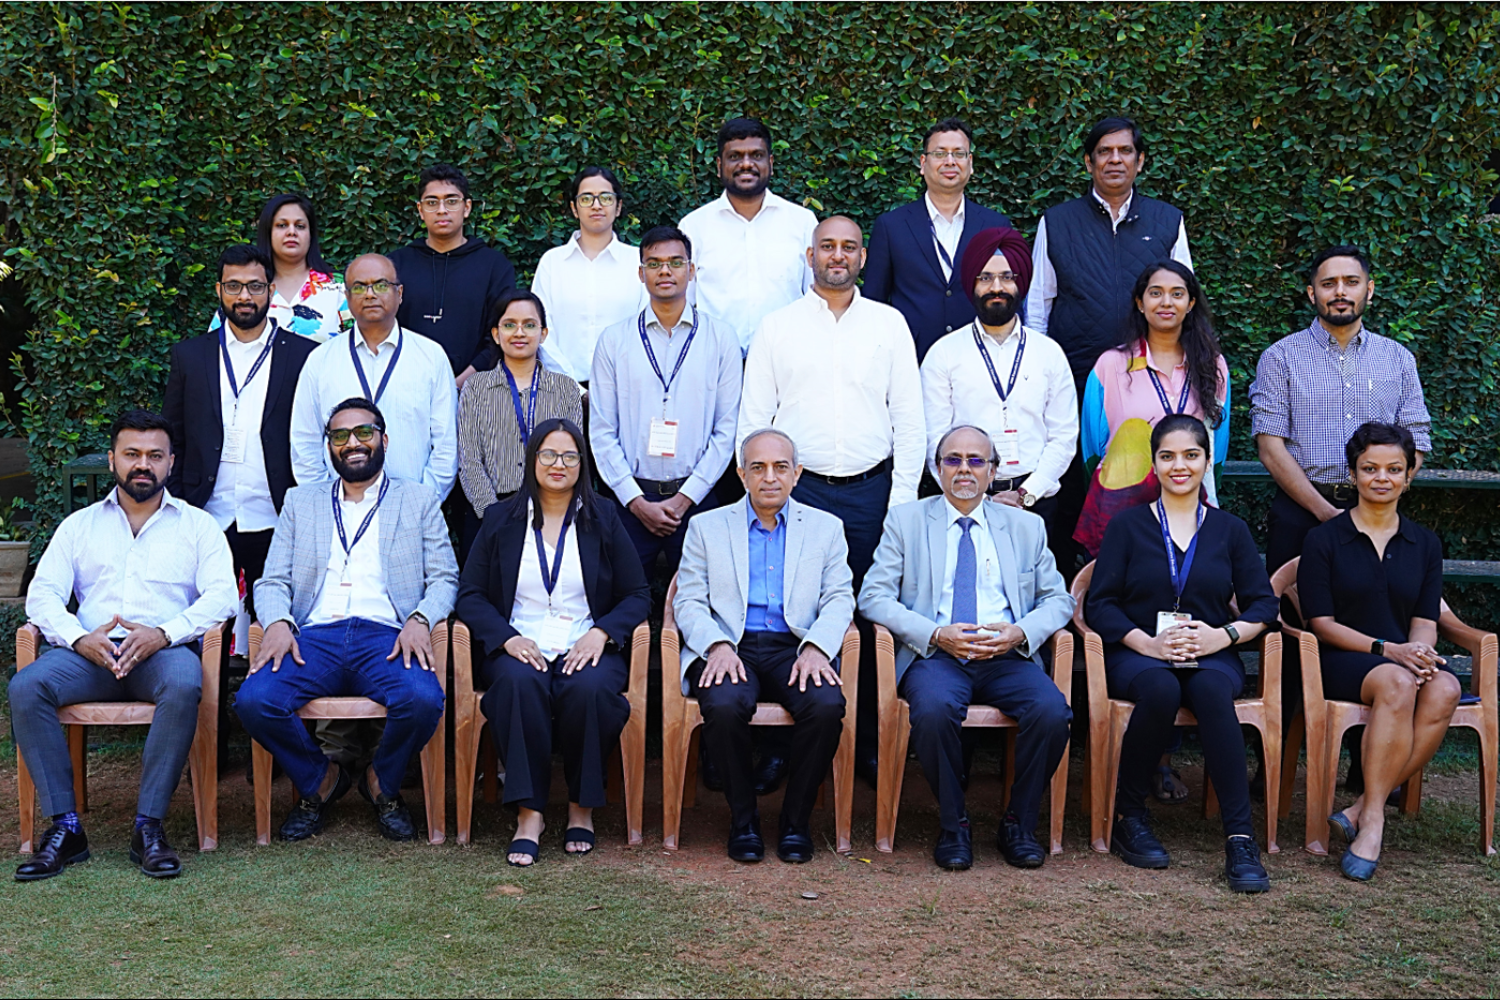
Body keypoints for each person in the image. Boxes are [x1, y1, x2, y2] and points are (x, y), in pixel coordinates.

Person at [11, 410, 237, 880]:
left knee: (183, 680)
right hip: (88, 654)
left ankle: (148, 827)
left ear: (171, 463)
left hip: (162, 653)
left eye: (155, 455)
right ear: (112, 459)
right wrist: (77, 637)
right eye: (132, 454)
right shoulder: (79, 526)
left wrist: (164, 634)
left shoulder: (197, 526)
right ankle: (66, 827)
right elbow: (43, 593)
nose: (143, 464)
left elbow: (222, 596)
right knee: (27, 686)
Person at [739, 215, 924, 783]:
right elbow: (753, 421)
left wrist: (899, 504)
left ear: (863, 257)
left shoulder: (890, 325)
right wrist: (766, 494)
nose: (836, 256)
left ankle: (864, 741)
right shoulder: (777, 327)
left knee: (871, 620)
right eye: (826, 247)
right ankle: (779, 746)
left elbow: (910, 423)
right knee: (789, 617)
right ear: (809, 255)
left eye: (847, 247)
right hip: (799, 489)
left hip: (872, 494)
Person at [236, 398, 458, 842]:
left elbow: (445, 578)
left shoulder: (417, 500)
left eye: (363, 433)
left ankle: (383, 782)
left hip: (387, 635)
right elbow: (271, 580)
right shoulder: (302, 502)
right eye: (340, 436)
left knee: (422, 699)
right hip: (313, 637)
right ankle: (321, 781)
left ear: (383, 440)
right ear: (329, 447)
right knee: (254, 700)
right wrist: (278, 622)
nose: (352, 443)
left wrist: (420, 617)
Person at [859, 425, 1074, 871]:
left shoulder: (1026, 526)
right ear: (937, 469)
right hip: (936, 654)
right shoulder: (906, 521)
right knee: (935, 711)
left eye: (976, 460)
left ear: (993, 471)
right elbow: (873, 596)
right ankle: (954, 824)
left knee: (1052, 712)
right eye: (952, 459)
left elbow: (1059, 599)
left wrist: (1019, 633)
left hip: (1005, 654)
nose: (963, 469)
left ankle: (1017, 822)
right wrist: (935, 634)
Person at [1083, 414, 1278, 892]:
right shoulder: (1128, 526)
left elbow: (1264, 604)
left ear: (1207, 461)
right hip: (1141, 653)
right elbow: (1100, 604)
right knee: (1160, 688)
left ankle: (1239, 838)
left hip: (1210, 651)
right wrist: (1146, 643)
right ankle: (1131, 816)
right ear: (1154, 462)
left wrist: (1222, 636)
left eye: (1191, 455)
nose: (1179, 466)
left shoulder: (1229, 529)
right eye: (1168, 456)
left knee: (1212, 690)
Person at [455, 418, 650, 867]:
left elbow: (638, 594)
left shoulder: (604, 518)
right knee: (517, 686)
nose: (557, 464)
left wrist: (601, 633)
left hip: (585, 639)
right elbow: (470, 594)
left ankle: (582, 808)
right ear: (531, 461)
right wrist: (505, 638)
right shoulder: (500, 518)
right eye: (548, 454)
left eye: (568, 456)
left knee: (590, 689)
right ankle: (530, 813)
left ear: (583, 464)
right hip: (521, 641)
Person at [673, 428, 854, 863]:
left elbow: (839, 597)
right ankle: (744, 821)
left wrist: (816, 647)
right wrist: (715, 645)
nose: (769, 477)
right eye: (758, 467)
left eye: (780, 467)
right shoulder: (706, 527)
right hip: (729, 643)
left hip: (795, 646)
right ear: (741, 474)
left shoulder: (827, 529)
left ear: (797, 473)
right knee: (724, 702)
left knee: (827, 705)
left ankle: (795, 822)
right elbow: (689, 598)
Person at [1026, 116, 1194, 577]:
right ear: (1088, 161)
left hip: (1153, 383)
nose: (1114, 159)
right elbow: (1038, 307)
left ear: (1140, 161)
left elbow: (1184, 297)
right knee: (1073, 486)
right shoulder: (1057, 222)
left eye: (1124, 151)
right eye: (1104, 151)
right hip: (1077, 378)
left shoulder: (1166, 221)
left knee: (1146, 485)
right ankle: (1067, 600)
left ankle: (1146, 590)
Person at [1298, 422, 1459, 882]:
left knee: (1445, 687)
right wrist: (1390, 651)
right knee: (1396, 680)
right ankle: (1375, 821)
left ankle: (1362, 806)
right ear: (1353, 474)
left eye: (1394, 469)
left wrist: (1421, 653)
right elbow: (1320, 624)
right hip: (1342, 659)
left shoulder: (1425, 543)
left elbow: (1425, 621)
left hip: (1401, 659)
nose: (1381, 478)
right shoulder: (1324, 539)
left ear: (1409, 476)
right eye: (1370, 468)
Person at [1251, 245, 1433, 573]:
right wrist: (1326, 513)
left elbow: (1416, 439)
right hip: (1300, 515)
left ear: (1369, 289)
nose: (1340, 292)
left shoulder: (1398, 359)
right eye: (1328, 283)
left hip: (1378, 512)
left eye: (1351, 281)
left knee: (1376, 614)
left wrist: (1383, 495)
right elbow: (1270, 447)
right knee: (1291, 615)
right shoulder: (1280, 357)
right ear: (1312, 293)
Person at [165, 244, 318, 621]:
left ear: (270, 290)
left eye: (255, 286)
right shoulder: (189, 355)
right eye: (233, 286)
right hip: (207, 514)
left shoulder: (304, 355)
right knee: (203, 625)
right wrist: (181, 500)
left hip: (277, 515)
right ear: (218, 291)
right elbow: (173, 437)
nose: (244, 296)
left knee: (279, 622)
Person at [590, 225, 741, 592]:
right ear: (641, 274)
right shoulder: (613, 341)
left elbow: (728, 429)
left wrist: (685, 498)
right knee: (619, 607)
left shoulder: (721, 338)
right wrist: (636, 501)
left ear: (692, 271)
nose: (665, 271)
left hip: (698, 500)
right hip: (629, 501)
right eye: (654, 263)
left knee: (704, 606)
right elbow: (601, 430)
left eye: (676, 262)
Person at [921, 226, 1077, 526]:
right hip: (963, 503)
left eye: (1007, 277)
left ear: (1021, 283)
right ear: (972, 284)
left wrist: (1026, 493)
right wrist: (975, 497)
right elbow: (934, 440)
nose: (997, 287)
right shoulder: (943, 354)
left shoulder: (1048, 353)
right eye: (985, 277)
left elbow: (1064, 436)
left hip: (1036, 504)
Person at [1073, 260, 1229, 560]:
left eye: (1177, 293)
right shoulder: (1111, 365)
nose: (1166, 302)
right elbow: (1093, 453)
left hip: (1190, 506)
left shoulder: (1214, 366)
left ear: (1191, 303)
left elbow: (1216, 451)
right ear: (1140, 303)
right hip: (1123, 511)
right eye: (1156, 293)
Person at [291, 253, 458, 499]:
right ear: (346, 298)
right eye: (359, 287)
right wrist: (328, 503)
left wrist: (422, 503)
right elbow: (304, 442)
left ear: (399, 293)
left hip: (413, 511)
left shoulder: (431, 356)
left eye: (381, 285)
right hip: (339, 512)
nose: (370, 294)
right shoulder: (320, 360)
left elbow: (446, 445)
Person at [864, 117, 1014, 361]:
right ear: (923, 163)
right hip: (910, 362)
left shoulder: (996, 227)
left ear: (970, 163)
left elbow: (1009, 297)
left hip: (981, 360)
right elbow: (873, 305)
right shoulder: (891, 226)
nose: (950, 161)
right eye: (940, 153)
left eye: (959, 153)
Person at [457, 290, 583, 555]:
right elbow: (469, 459)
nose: (519, 333)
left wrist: (556, 511)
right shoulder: (476, 388)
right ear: (495, 334)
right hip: (490, 513)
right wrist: (493, 515)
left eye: (529, 325)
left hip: (553, 511)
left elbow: (574, 457)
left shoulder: (566, 389)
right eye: (509, 325)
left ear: (544, 333)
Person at [679, 116, 818, 355]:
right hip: (715, 364)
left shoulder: (803, 222)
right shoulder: (694, 227)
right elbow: (682, 304)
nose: (746, 164)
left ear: (771, 162)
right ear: (718, 164)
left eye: (756, 155)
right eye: (735, 156)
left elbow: (817, 298)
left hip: (787, 362)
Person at [389, 162, 518, 385]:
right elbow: (382, 329)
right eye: (432, 202)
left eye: (451, 201)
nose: (441, 210)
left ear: (466, 207)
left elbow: (502, 333)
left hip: (477, 390)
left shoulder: (494, 266)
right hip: (404, 385)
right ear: (420, 210)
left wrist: (459, 383)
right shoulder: (396, 265)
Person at [531, 167, 647, 385]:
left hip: (627, 387)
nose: (596, 205)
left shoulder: (637, 262)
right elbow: (539, 329)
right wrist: (572, 387)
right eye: (586, 198)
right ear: (575, 208)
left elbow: (647, 327)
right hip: (561, 390)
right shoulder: (552, 263)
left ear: (618, 206)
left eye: (605, 197)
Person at [246, 193, 349, 343]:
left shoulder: (339, 289)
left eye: (300, 226)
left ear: (310, 234)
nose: (291, 232)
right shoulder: (245, 288)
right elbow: (216, 346)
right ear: (268, 232)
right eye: (282, 225)